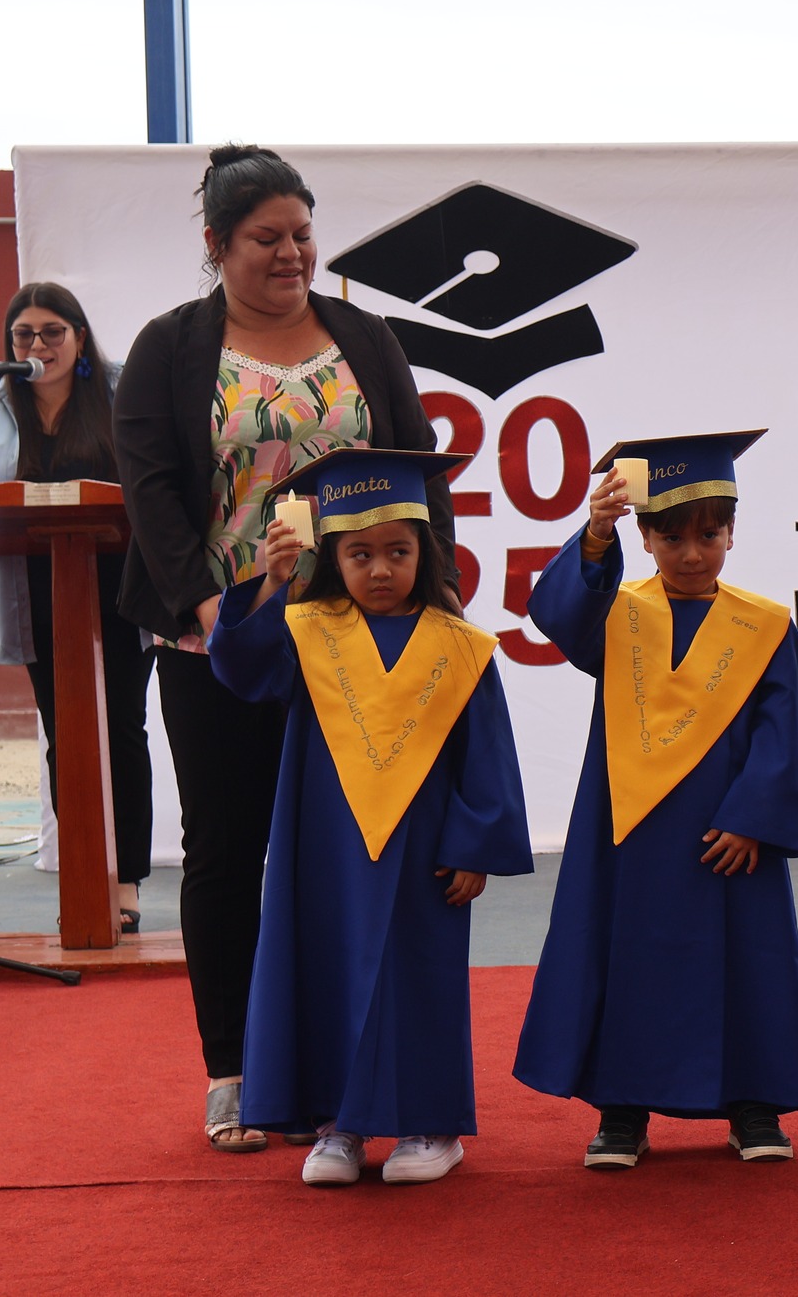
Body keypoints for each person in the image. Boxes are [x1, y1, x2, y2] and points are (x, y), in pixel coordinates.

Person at [114, 145, 456, 1153]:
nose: (291, 253)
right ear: (217, 245)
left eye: (302, 234)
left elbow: (417, 473)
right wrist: (208, 608)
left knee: (352, 853)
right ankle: (234, 1071)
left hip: (358, 644)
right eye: (267, 238)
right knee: (226, 854)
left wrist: (429, 600)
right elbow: (153, 496)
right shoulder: (170, 349)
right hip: (220, 642)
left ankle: (349, 1069)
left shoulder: (365, 337)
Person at [208, 448, 531, 1187]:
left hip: (425, 850)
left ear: (427, 550)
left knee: (421, 976)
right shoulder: (306, 629)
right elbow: (238, 666)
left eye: (398, 551)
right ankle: (338, 1125)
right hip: (324, 845)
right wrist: (272, 580)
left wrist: (474, 843)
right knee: (325, 969)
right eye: (359, 553)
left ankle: (432, 1125)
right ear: (333, 556)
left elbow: (487, 756)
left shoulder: (461, 647)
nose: (380, 568)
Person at [514, 431, 798, 1169]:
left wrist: (753, 817)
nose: (692, 552)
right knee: (625, 956)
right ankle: (622, 1110)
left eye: (709, 534)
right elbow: (556, 617)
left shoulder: (765, 624)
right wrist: (593, 533)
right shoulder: (617, 614)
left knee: (746, 960)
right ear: (644, 537)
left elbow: (783, 732)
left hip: (727, 834)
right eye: (672, 536)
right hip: (627, 826)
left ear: (732, 533)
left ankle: (753, 1105)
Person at [0, 283, 153, 926]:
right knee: (66, 736)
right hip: (34, 590)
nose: (38, 346)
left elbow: (155, 485)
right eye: (24, 335)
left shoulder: (121, 391)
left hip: (119, 586)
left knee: (121, 728)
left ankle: (127, 883)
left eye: (52, 333)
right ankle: (88, 870)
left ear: (80, 338)